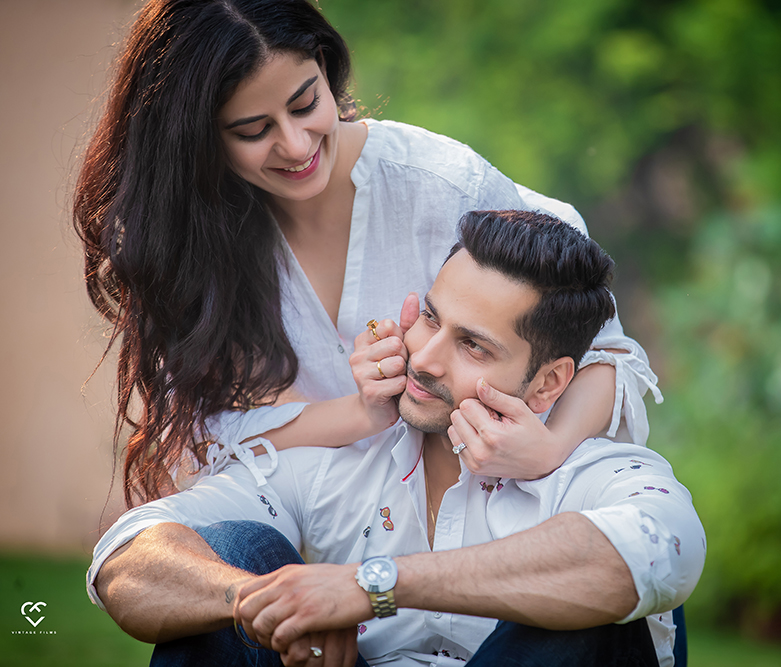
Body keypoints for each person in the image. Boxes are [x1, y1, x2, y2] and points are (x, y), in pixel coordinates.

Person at [73, 0, 662, 511]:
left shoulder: (442, 186)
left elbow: (606, 350)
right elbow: (211, 438)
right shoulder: (196, 245)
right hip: (322, 540)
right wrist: (361, 412)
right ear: (199, 138)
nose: (296, 145)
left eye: (305, 103)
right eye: (254, 130)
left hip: (488, 521)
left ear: (324, 67)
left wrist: (548, 448)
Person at [89, 210, 705, 667]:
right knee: (232, 551)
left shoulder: (596, 476)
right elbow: (128, 555)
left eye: (473, 346)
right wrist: (266, 600)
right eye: (431, 318)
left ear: (548, 384)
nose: (425, 358)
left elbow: (659, 550)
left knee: (580, 607)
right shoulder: (338, 468)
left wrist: (369, 586)